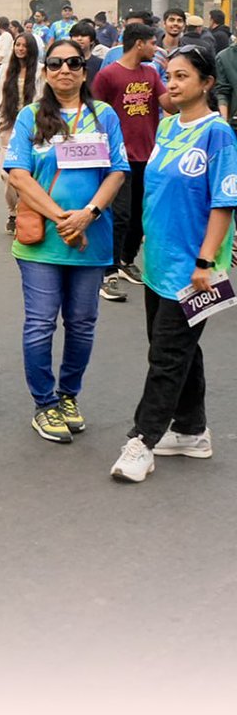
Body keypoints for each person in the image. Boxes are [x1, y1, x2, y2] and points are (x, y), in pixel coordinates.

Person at [111, 45, 237, 482]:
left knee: (166, 355)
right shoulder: (167, 126)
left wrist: (205, 261)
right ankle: (191, 430)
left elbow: (223, 203)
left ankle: (142, 440)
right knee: (178, 349)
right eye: (170, 76)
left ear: (206, 83)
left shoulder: (218, 134)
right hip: (158, 262)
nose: (173, 84)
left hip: (193, 269)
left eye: (183, 76)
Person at [5, 39, 129, 443]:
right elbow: (18, 175)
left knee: (81, 323)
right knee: (41, 323)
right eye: (56, 63)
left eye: (73, 63)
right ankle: (44, 404)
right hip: (43, 241)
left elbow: (117, 171)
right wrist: (63, 219)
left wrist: (88, 214)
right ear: (45, 72)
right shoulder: (30, 116)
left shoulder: (103, 116)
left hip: (91, 239)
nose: (64, 70)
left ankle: (68, 396)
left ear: (84, 70)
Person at [93, 23, 175, 303]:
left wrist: (178, 80)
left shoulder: (151, 73)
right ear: (139, 43)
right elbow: (95, 114)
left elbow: (169, 104)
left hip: (147, 156)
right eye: (152, 42)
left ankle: (126, 260)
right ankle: (108, 272)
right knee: (120, 215)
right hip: (118, 158)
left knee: (141, 215)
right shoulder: (108, 75)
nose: (156, 47)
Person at [0, 33, 43, 235]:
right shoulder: (6, 69)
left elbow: (43, 98)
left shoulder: (41, 71)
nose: (20, 49)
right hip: (9, 125)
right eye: (18, 45)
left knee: (28, 173)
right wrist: (0, 120)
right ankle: (13, 211)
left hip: (32, 128)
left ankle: (23, 212)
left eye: (24, 45)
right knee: (6, 174)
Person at [69, 19, 104, 85]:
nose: (79, 38)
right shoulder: (65, 62)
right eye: (76, 36)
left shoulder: (100, 64)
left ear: (92, 40)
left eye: (83, 36)